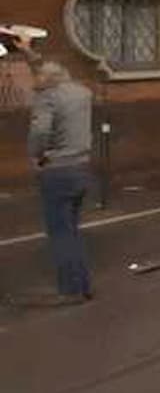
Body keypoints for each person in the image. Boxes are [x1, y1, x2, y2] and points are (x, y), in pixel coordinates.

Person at [14, 36, 94, 305]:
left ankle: (71, 289)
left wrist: (35, 156)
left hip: (57, 170)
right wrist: (29, 52)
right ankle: (82, 284)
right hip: (82, 167)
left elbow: (39, 131)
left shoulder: (47, 98)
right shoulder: (81, 93)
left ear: (45, 81)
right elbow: (49, 72)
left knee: (60, 233)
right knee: (71, 229)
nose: (33, 83)